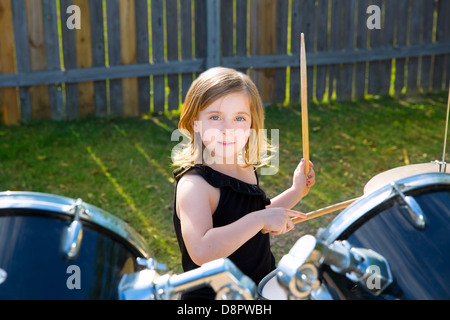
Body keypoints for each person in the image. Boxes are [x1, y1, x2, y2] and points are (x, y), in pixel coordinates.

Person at [171, 67, 315, 299]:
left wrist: (297, 190)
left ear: (251, 125)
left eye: (239, 118)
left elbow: (252, 218)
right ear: (194, 122)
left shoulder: (245, 167)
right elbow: (202, 250)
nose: (228, 129)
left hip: (259, 286)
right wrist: (259, 219)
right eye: (215, 117)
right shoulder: (195, 185)